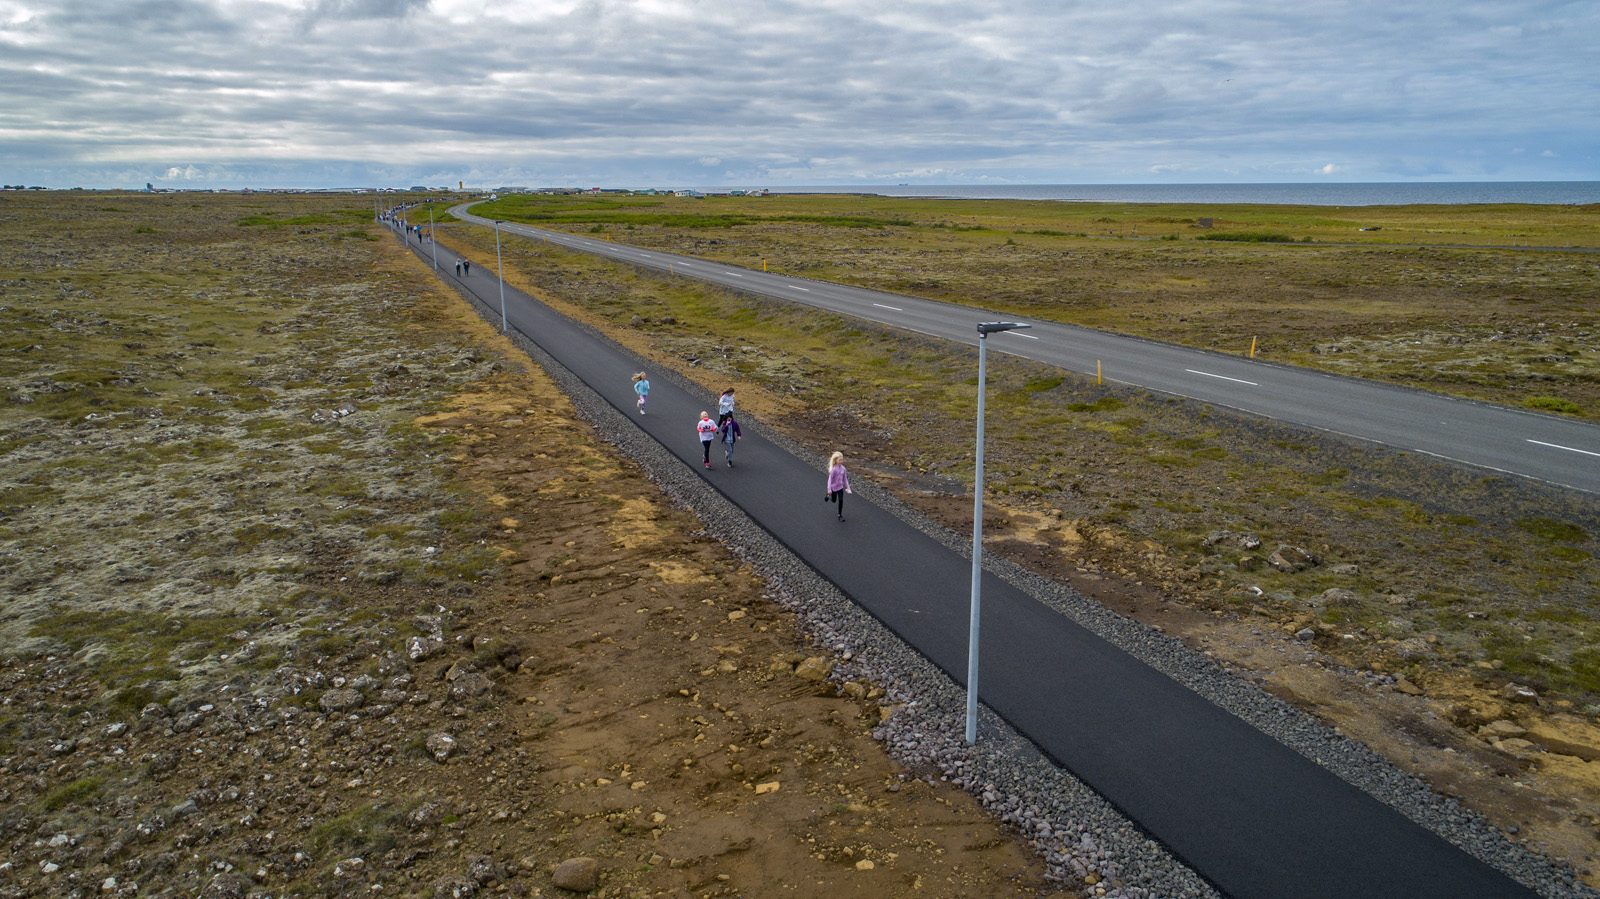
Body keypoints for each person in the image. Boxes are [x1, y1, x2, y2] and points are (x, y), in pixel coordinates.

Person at [824, 451, 851, 521]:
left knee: (841, 500)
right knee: (833, 500)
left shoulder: (843, 469)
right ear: (835, 460)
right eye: (839, 460)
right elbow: (829, 480)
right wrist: (829, 490)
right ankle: (828, 495)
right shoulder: (834, 470)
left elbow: (845, 478)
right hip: (833, 488)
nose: (841, 461)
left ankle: (839, 514)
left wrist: (848, 487)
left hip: (840, 488)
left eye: (842, 460)